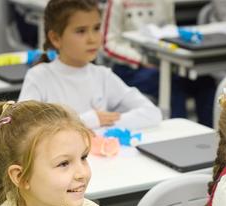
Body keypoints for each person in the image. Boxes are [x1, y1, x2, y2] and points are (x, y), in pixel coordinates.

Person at [17, 0, 161, 130]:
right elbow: (24, 128)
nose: (92, 39)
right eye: (81, 31)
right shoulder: (39, 77)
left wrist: (106, 123)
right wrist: (87, 121)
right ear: (55, 38)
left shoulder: (103, 76)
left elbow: (152, 113)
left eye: (97, 28)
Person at [102, 0, 216, 127]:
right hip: (130, 68)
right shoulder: (117, 2)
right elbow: (108, 44)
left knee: (205, 82)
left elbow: (171, 32)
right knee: (171, 86)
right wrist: (141, 60)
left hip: (165, 63)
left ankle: (210, 134)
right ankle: (177, 135)